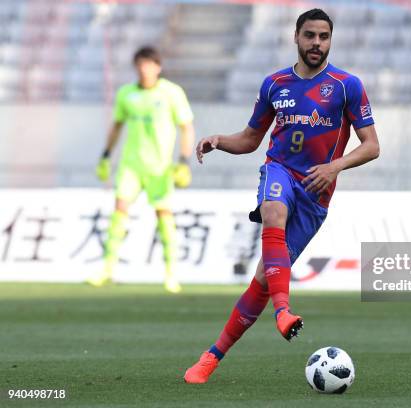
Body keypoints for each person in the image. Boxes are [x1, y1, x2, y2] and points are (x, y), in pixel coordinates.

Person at [184, 8, 379, 383]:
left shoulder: (346, 85)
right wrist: (219, 141)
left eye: (323, 37)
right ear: (296, 37)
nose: (317, 44)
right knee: (272, 209)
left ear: (330, 40)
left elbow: (372, 146)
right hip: (280, 171)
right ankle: (283, 312)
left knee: (262, 276)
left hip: (315, 193)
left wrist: (334, 167)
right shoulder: (275, 84)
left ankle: (212, 356)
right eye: (310, 36)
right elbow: (250, 139)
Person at [86, 46, 195, 294]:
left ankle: (171, 273)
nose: (144, 69)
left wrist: (184, 161)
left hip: (160, 166)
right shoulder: (126, 94)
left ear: (158, 67)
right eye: (140, 65)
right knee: (119, 210)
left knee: (164, 215)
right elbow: (117, 126)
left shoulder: (171, 93)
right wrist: (105, 155)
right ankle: (107, 268)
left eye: (149, 64)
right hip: (131, 165)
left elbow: (186, 127)